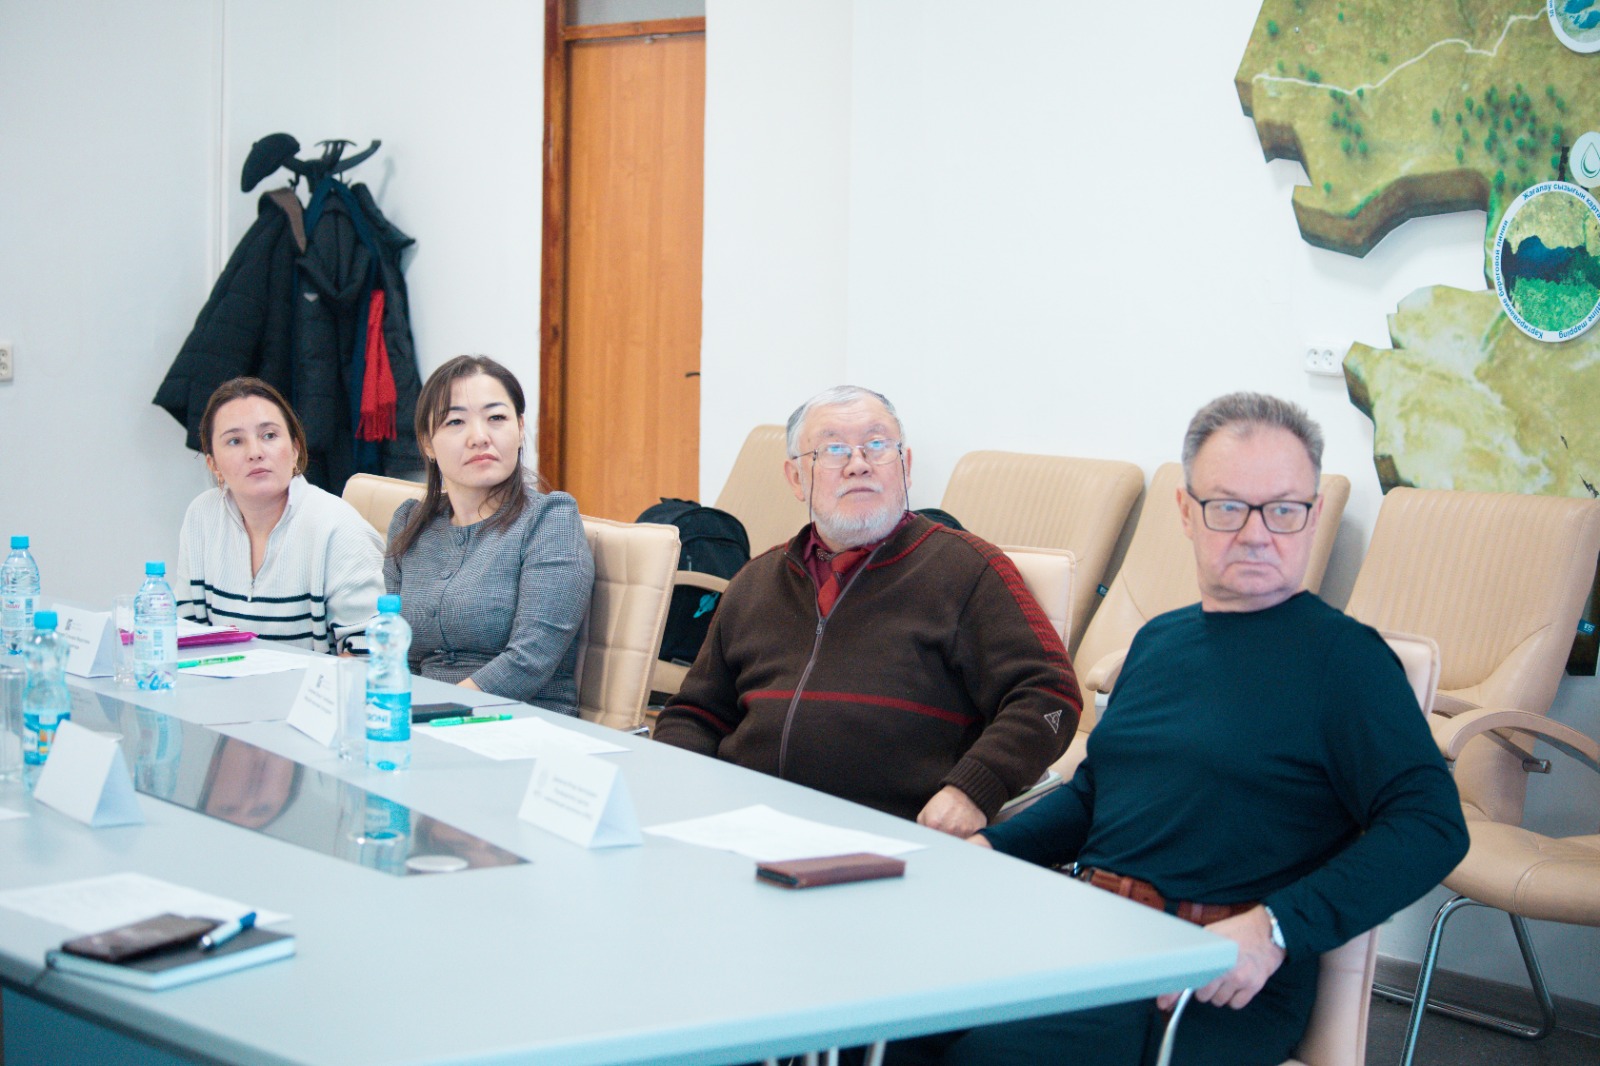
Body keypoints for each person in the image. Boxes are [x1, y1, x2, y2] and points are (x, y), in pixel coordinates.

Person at [901, 393, 1470, 1066]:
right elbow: (1097, 796)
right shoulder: (1159, 643)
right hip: (1093, 937)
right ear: (1185, 511)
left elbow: (1432, 826)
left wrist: (1275, 929)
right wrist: (990, 849)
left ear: (1314, 516)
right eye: (1227, 507)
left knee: (986, 1058)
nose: (1256, 533)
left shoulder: (1348, 664)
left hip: (1211, 980)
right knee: (874, 1018)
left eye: (1283, 510)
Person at [652, 385, 1079, 835]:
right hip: (744, 826)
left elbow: (1049, 696)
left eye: (877, 445)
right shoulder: (756, 581)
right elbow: (695, 714)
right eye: (833, 449)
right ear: (796, 478)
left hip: (888, 837)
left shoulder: (968, 570)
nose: (859, 463)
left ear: (905, 466)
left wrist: (975, 789)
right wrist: (678, 787)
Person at [385, 355, 593, 713]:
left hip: (519, 720)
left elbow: (530, 659)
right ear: (427, 444)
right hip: (421, 717)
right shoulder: (409, 523)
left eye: (496, 418)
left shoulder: (549, 519)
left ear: (520, 428)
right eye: (455, 421)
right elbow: (396, 648)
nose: (479, 437)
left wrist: (428, 712)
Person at [175, 378, 384, 654]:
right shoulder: (201, 516)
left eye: (269, 436)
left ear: (295, 450)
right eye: (235, 441)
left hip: (317, 683)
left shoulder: (338, 527)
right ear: (213, 464)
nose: (255, 453)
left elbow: (369, 653)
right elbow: (187, 631)